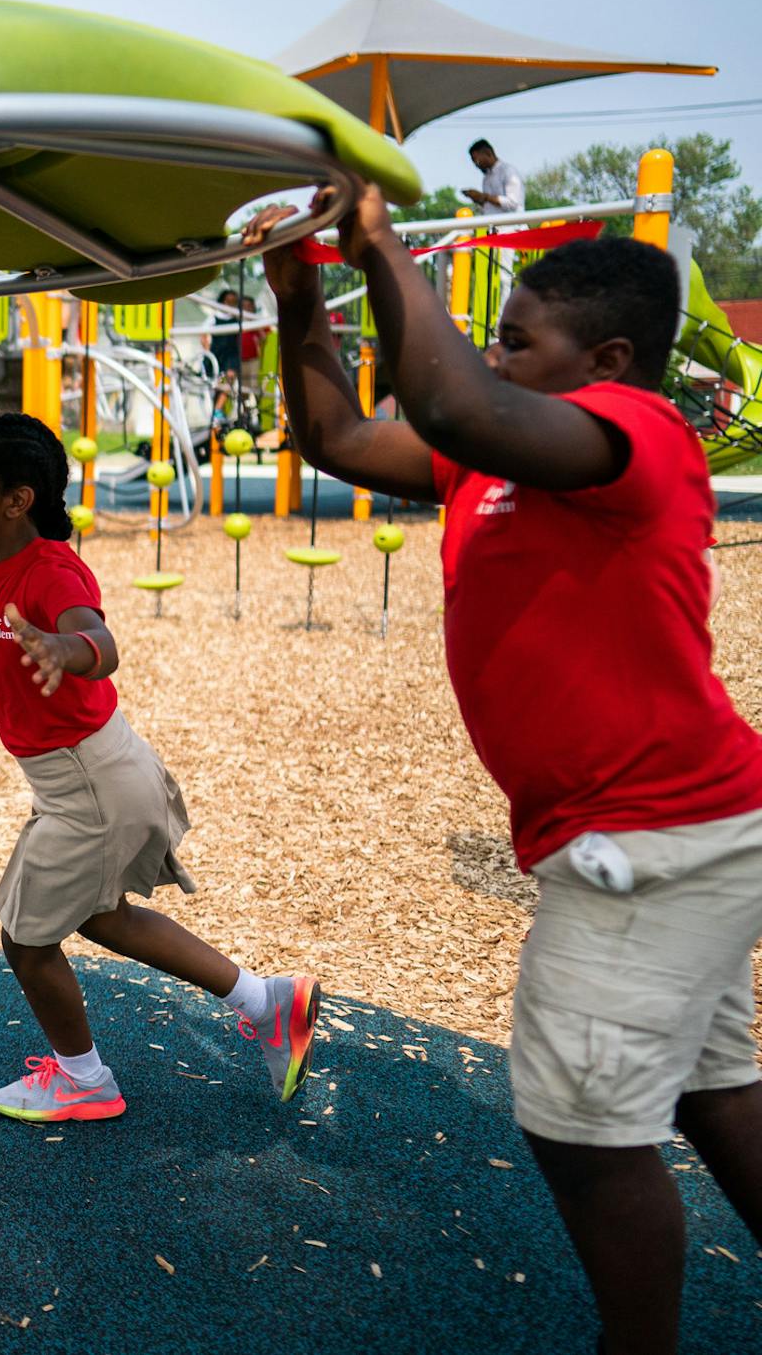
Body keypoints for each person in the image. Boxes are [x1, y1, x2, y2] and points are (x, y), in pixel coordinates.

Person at [249, 187, 762, 1355]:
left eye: (517, 337)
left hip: (652, 838)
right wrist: (299, 303)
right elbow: (337, 436)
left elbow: (444, 396)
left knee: (582, 1128)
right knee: (714, 1090)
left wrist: (375, 237)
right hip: (678, 828)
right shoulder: (481, 462)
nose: (491, 353)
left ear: (612, 359)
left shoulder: (634, 437)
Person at [0, 412, 322, 1122]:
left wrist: (69, 653)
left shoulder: (48, 570)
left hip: (91, 784)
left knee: (28, 939)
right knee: (100, 918)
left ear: (17, 501)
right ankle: (268, 1001)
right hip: (90, 775)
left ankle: (84, 1080)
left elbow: (96, 632)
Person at [463, 139, 525, 216]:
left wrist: (485, 197)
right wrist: (478, 199)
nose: (476, 165)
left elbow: (513, 204)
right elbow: (491, 207)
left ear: (488, 153)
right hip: (494, 226)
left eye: (477, 160)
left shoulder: (508, 171)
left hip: (512, 226)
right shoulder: (486, 178)